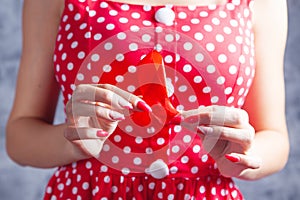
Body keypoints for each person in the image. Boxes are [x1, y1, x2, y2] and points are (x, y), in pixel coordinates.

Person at [6, 0, 289, 199]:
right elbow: (20, 136)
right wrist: (73, 142)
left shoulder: (262, 3)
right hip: (86, 193)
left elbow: (275, 138)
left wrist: (244, 156)